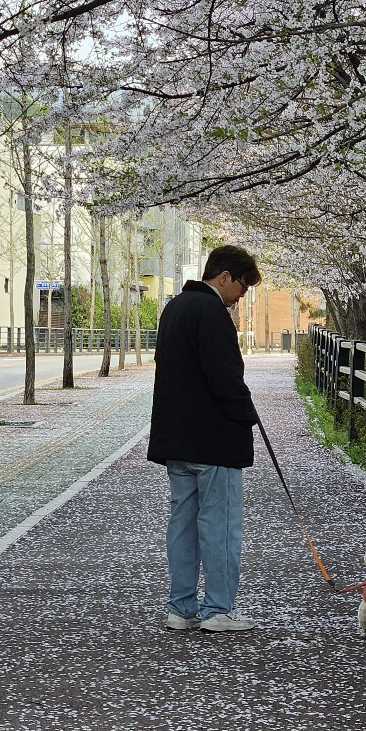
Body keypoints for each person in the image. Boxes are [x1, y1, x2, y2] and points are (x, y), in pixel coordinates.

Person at [147, 244, 262, 633]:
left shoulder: (174, 309)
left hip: (177, 438)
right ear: (224, 276)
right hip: (214, 440)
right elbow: (225, 376)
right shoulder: (213, 313)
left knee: (182, 523)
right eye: (242, 286)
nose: (242, 295)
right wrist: (247, 415)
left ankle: (180, 608)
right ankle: (218, 610)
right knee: (220, 524)